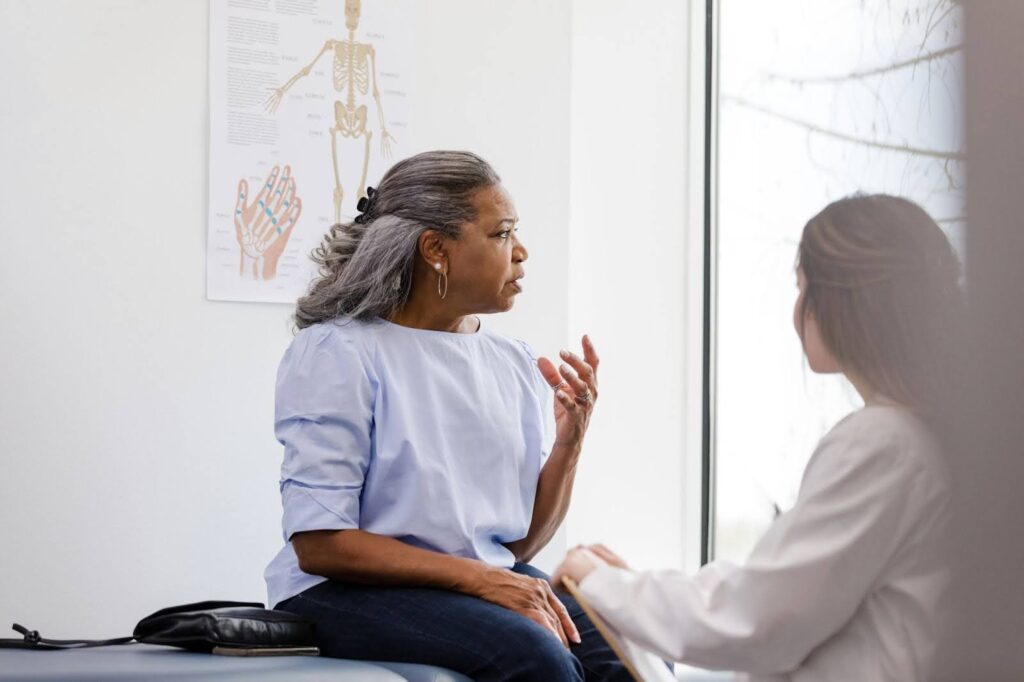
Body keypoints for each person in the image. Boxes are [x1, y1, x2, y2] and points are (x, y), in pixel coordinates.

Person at [554, 194, 963, 681]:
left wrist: (603, 585)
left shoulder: (885, 444)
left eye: (802, 288)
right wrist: (631, 586)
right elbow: (782, 592)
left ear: (837, 300)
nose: (796, 312)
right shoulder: (931, 441)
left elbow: (757, 618)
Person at [265, 150, 629, 681]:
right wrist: (479, 580)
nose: (522, 253)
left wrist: (570, 442)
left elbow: (515, 545)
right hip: (340, 592)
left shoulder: (514, 362)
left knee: (625, 644)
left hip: (468, 582)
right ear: (436, 249)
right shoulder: (339, 354)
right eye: (502, 233)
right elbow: (320, 544)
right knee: (537, 658)